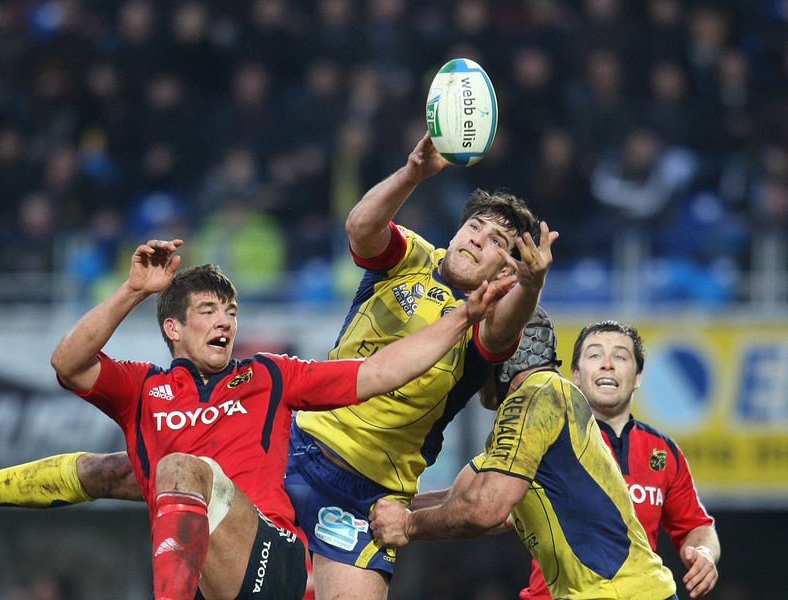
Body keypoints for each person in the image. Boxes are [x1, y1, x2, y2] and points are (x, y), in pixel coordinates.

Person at [0, 237, 513, 600]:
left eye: (231, 311)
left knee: (179, 468)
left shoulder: (267, 376)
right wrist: (132, 291)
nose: (225, 320)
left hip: (272, 558)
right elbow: (67, 363)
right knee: (113, 471)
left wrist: (462, 317)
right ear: (172, 327)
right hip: (205, 572)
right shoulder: (141, 389)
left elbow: (377, 372)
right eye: (208, 310)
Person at [283, 131, 557, 600]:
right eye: (475, 227)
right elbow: (360, 229)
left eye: (497, 242)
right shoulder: (410, 257)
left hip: (366, 493)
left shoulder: (488, 316)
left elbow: (504, 331)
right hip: (295, 446)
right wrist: (412, 174)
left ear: (507, 271)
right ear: (457, 230)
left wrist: (530, 288)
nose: (477, 240)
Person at [369, 307, 680, 600]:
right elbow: (461, 495)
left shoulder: (536, 396)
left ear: (509, 354)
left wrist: (408, 526)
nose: (474, 373)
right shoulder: (536, 406)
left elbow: (484, 509)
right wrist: (380, 506)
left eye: (481, 353)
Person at [520, 320, 719, 599]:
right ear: (576, 374)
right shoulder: (543, 440)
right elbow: (494, 506)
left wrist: (704, 552)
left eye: (620, 356)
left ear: (638, 377)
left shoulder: (662, 451)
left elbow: (697, 526)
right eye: (595, 355)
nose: (607, 364)